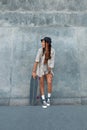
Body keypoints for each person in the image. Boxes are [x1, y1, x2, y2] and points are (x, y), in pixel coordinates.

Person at [32, 37, 55, 108]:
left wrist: (49, 68)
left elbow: (52, 62)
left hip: (48, 69)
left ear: (47, 43)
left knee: (49, 81)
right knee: (41, 83)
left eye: (43, 42)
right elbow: (36, 61)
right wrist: (34, 71)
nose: (42, 43)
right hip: (40, 69)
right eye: (41, 42)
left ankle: (48, 99)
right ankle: (43, 100)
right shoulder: (40, 50)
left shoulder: (52, 51)